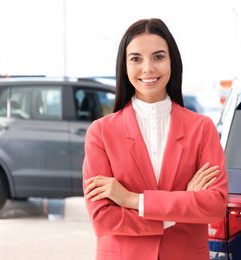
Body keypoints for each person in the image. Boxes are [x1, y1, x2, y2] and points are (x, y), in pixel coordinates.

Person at [83, 18, 228, 260]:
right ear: (124, 66)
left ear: (172, 62)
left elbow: (214, 206)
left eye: (158, 57)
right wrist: (180, 206)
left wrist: (131, 199)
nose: (148, 68)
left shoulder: (201, 128)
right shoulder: (101, 133)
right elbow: (103, 218)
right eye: (136, 59)